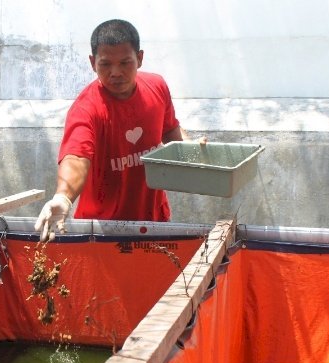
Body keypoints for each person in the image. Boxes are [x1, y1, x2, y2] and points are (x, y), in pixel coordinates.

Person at [35, 19, 205, 241]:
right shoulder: (86, 109)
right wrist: (63, 197)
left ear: (140, 59)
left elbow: (170, 128)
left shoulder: (157, 87)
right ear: (92, 62)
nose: (116, 72)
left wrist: (190, 148)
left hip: (154, 223)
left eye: (125, 62)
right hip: (101, 231)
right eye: (105, 64)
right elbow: (77, 157)